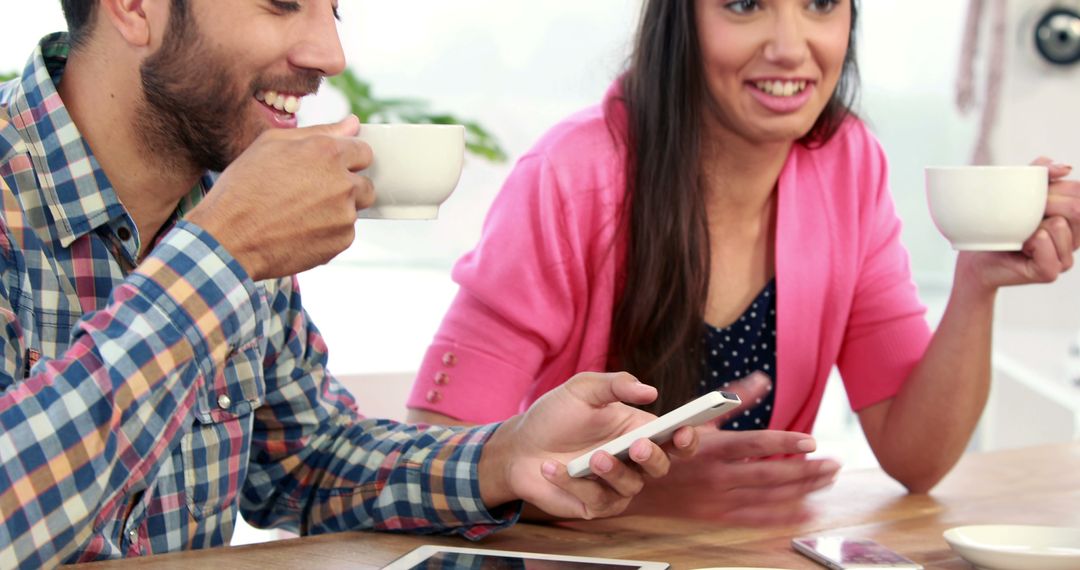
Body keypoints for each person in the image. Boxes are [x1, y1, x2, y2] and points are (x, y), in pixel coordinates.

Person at [0, 1, 714, 566]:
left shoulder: (225, 198)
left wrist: (508, 456)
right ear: (133, 6)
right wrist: (218, 255)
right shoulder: (224, 232)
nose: (329, 56)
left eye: (333, 9)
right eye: (282, 4)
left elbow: (308, 461)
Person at [406, 0, 1080, 525]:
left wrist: (977, 285)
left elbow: (917, 458)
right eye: (743, 4)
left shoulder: (850, 165)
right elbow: (437, 458)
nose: (792, 46)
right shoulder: (569, 175)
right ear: (680, 21)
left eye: (820, 4)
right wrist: (643, 492)